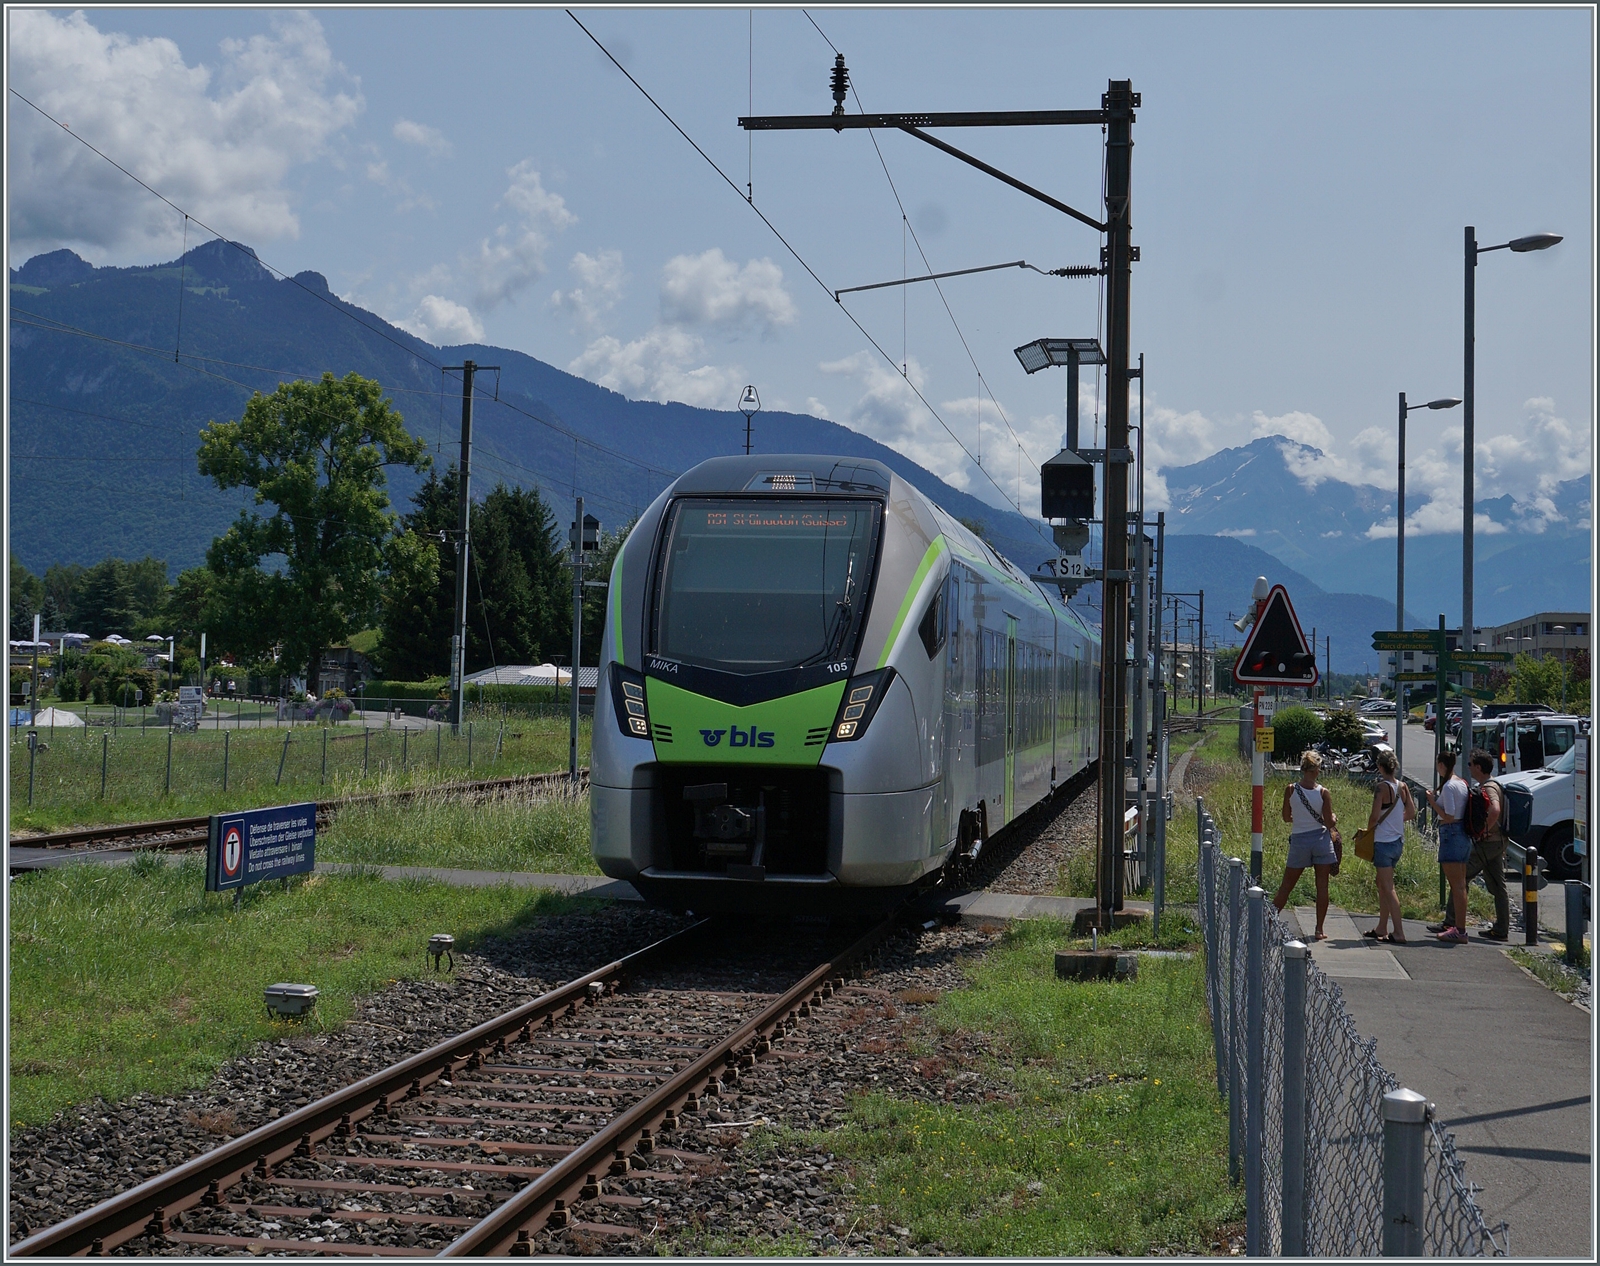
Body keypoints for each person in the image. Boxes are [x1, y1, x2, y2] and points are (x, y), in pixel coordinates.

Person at [1429, 749, 1511, 941]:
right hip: (1498, 842)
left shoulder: (1488, 787)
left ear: (1479, 767)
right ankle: (1501, 928)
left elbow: (1495, 810)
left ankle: (1452, 923)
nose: (1469, 767)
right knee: (1498, 885)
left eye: (1471, 764)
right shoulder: (1491, 784)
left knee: (1460, 879)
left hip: (1487, 843)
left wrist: (1481, 831)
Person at [1272, 750, 1339, 940]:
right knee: (1322, 887)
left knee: (1286, 886)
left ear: (1302, 769)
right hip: (1321, 840)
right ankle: (1319, 930)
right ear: (1317, 770)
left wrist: (1300, 818)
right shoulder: (1323, 793)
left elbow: (1286, 817)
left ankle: (1267, 922)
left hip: (1300, 840)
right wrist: (1334, 818)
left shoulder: (1291, 789)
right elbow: (1329, 822)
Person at [1362, 750, 1415, 944]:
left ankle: (1398, 931)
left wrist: (1368, 832)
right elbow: (1411, 812)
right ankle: (1382, 927)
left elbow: (1374, 817)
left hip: (1383, 842)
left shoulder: (1381, 788)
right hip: (1397, 842)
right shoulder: (1403, 786)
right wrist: (1396, 821)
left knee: (1388, 887)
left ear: (1380, 767)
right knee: (1382, 884)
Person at [1425, 751, 1472, 943]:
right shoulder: (1462, 783)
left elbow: (1449, 815)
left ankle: (1460, 930)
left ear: (1442, 765)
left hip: (1451, 833)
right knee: (1460, 885)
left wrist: (1432, 802)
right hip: (1462, 834)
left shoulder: (1449, 786)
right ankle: (1459, 927)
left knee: (1457, 886)